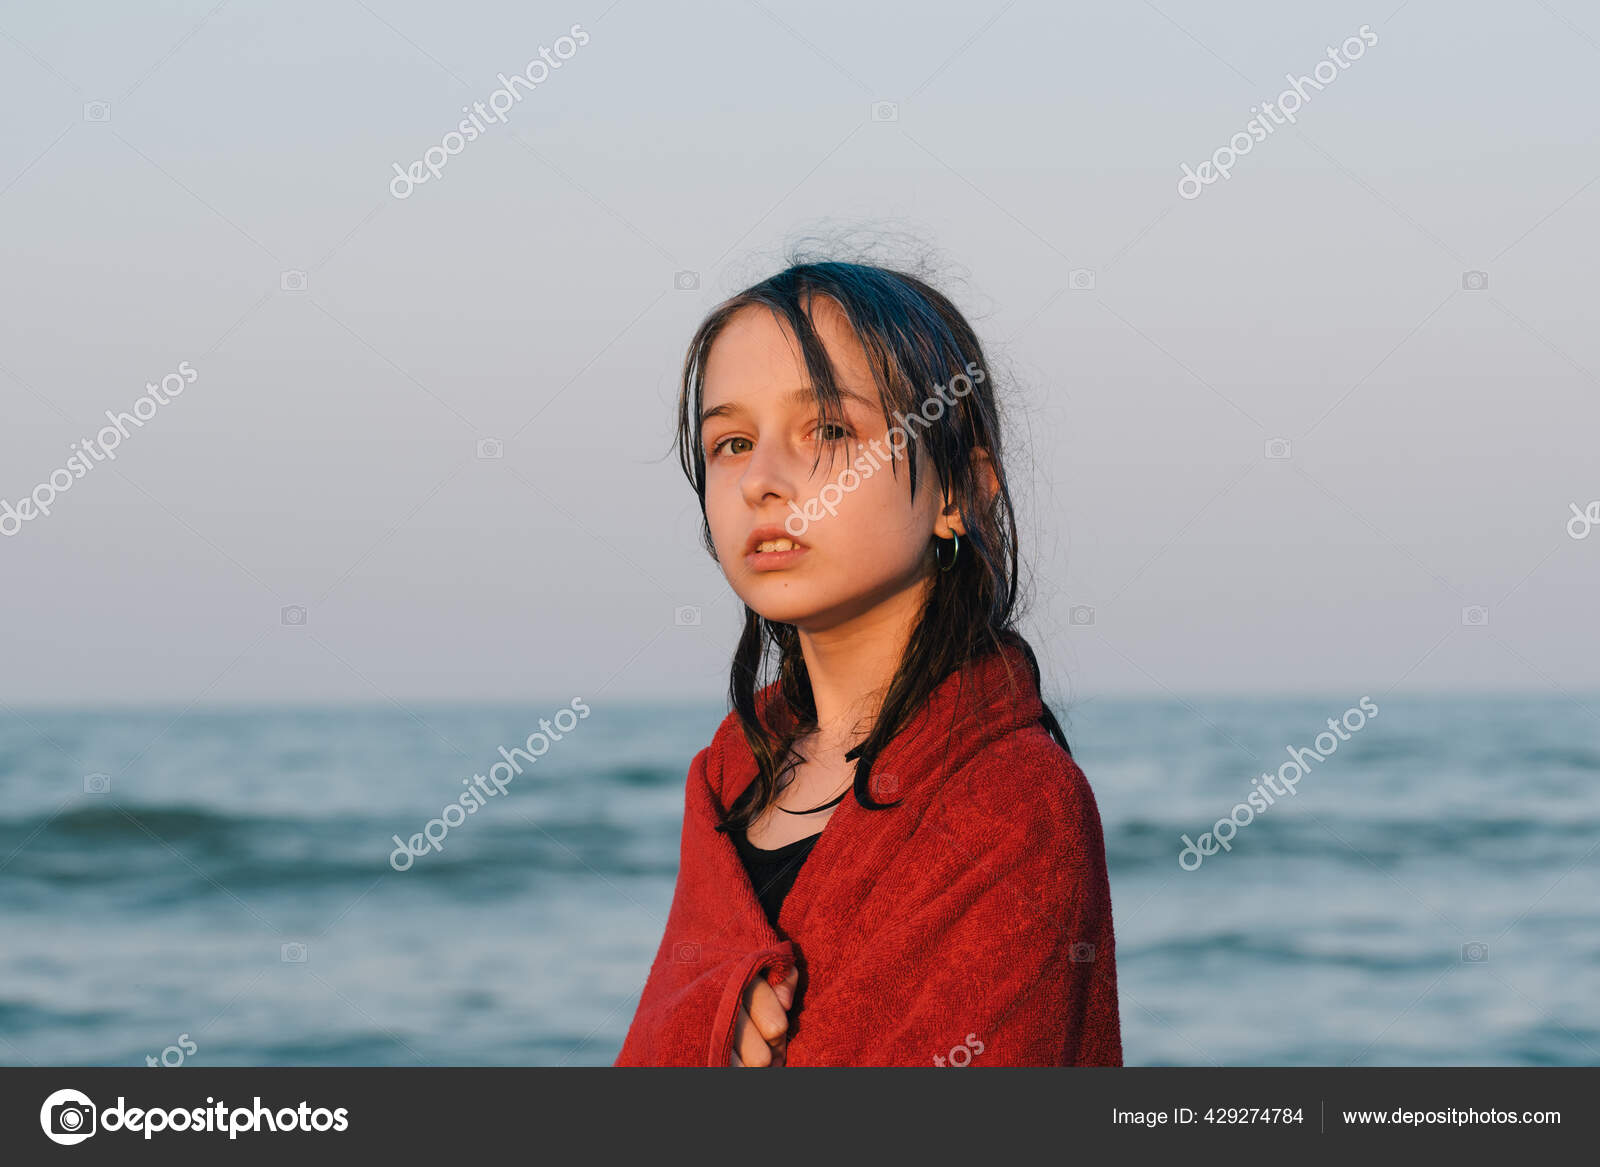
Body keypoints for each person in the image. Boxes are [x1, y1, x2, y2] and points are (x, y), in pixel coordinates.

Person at [614, 257, 1121, 1067]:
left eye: (830, 430)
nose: (761, 482)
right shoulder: (729, 775)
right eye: (732, 442)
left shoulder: (1016, 802)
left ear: (959, 489)